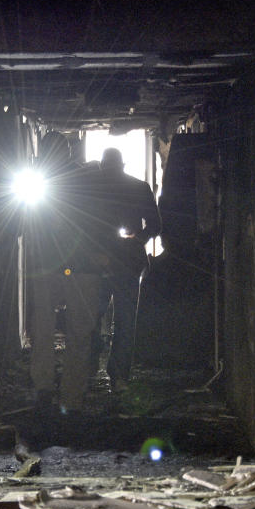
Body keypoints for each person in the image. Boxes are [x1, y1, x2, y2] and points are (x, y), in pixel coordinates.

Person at [24, 132, 111, 412]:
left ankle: (49, 390)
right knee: (73, 331)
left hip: (57, 263)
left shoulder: (41, 184)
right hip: (74, 265)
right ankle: (66, 394)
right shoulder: (81, 181)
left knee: (49, 328)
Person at [93, 147, 162, 392]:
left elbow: (83, 227)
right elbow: (155, 225)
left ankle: (88, 372)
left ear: (103, 165)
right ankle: (118, 376)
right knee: (124, 321)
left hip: (99, 264)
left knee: (92, 317)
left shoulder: (94, 190)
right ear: (123, 165)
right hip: (127, 263)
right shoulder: (138, 188)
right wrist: (137, 239)